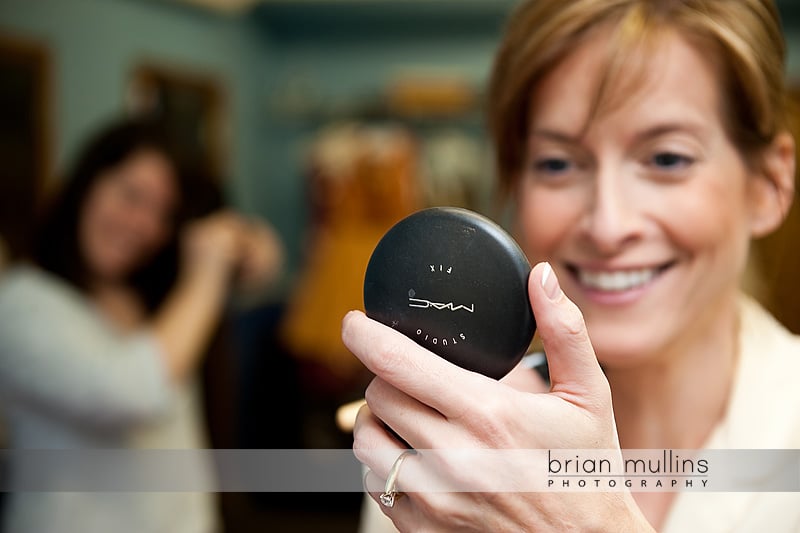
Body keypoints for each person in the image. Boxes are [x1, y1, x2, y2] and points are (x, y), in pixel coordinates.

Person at [346, 0, 800, 531]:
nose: (607, 225)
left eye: (667, 158)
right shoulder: (448, 445)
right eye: (558, 163)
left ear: (769, 185)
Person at [0, 117, 283, 533]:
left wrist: (246, 239)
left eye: (163, 213)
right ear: (86, 183)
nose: (144, 226)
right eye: (131, 195)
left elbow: (264, 272)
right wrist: (205, 273)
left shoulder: (150, 295)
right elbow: (130, 391)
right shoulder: (22, 302)